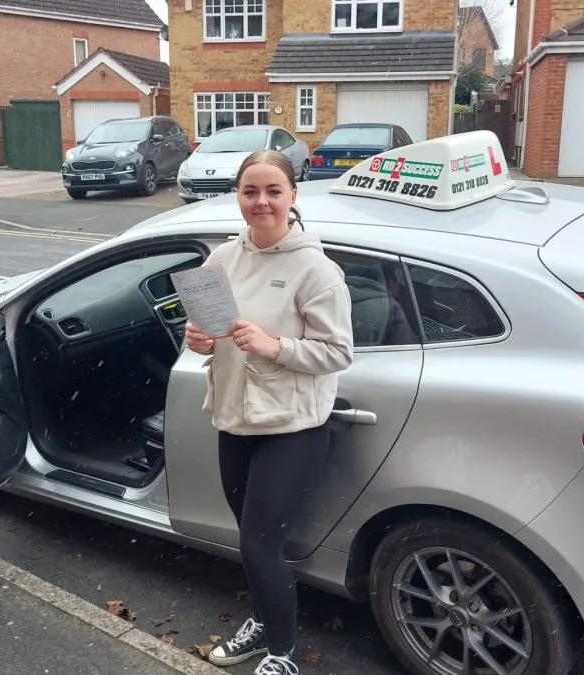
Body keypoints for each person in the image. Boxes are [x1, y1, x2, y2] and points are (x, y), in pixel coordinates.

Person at [184, 150, 354, 675]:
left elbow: (339, 353)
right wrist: (199, 343)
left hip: (291, 429)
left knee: (260, 547)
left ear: (293, 197)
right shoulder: (221, 261)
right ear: (238, 196)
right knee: (251, 543)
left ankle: (281, 654)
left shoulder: (316, 269)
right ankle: (262, 621)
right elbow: (209, 338)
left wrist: (274, 345)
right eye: (250, 191)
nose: (261, 202)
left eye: (273, 191)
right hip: (235, 421)